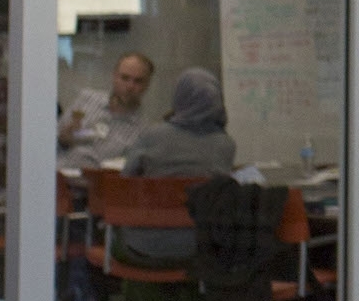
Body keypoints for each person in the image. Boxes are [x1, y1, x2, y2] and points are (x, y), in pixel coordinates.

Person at [112, 68, 237, 296]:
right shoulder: (225, 145)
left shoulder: (152, 136)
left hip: (140, 248)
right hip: (199, 249)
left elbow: (124, 185)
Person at [58, 51, 155, 169]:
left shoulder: (144, 132)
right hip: (56, 172)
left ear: (147, 84)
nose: (130, 86)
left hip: (95, 178)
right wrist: (62, 140)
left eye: (138, 81)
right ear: (114, 77)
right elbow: (50, 140)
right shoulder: (86, 99)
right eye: (124, 78)